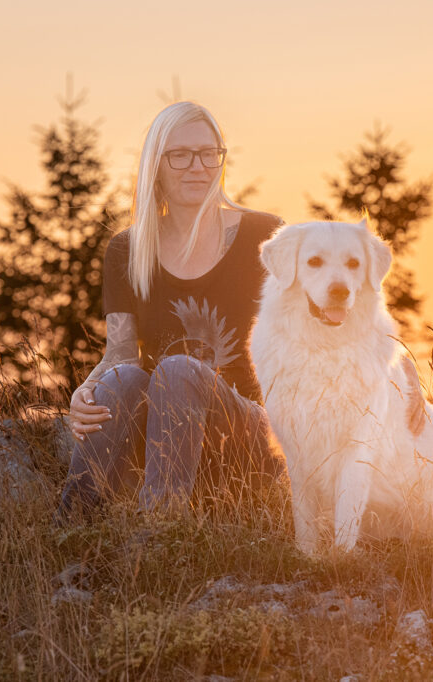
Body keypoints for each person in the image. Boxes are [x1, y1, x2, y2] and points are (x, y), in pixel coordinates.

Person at [56, 101, 284, 520]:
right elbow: (120, 353)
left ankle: (160, 529)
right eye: (180, 155)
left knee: (178, 368)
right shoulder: (128, 249)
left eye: (208, 153)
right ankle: (70, 528)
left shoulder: (265, 235)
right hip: (165, 432)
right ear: (155, 165)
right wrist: (82, 393)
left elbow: (301, 340)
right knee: (125, 378)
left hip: (249, 430)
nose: (197, 166)